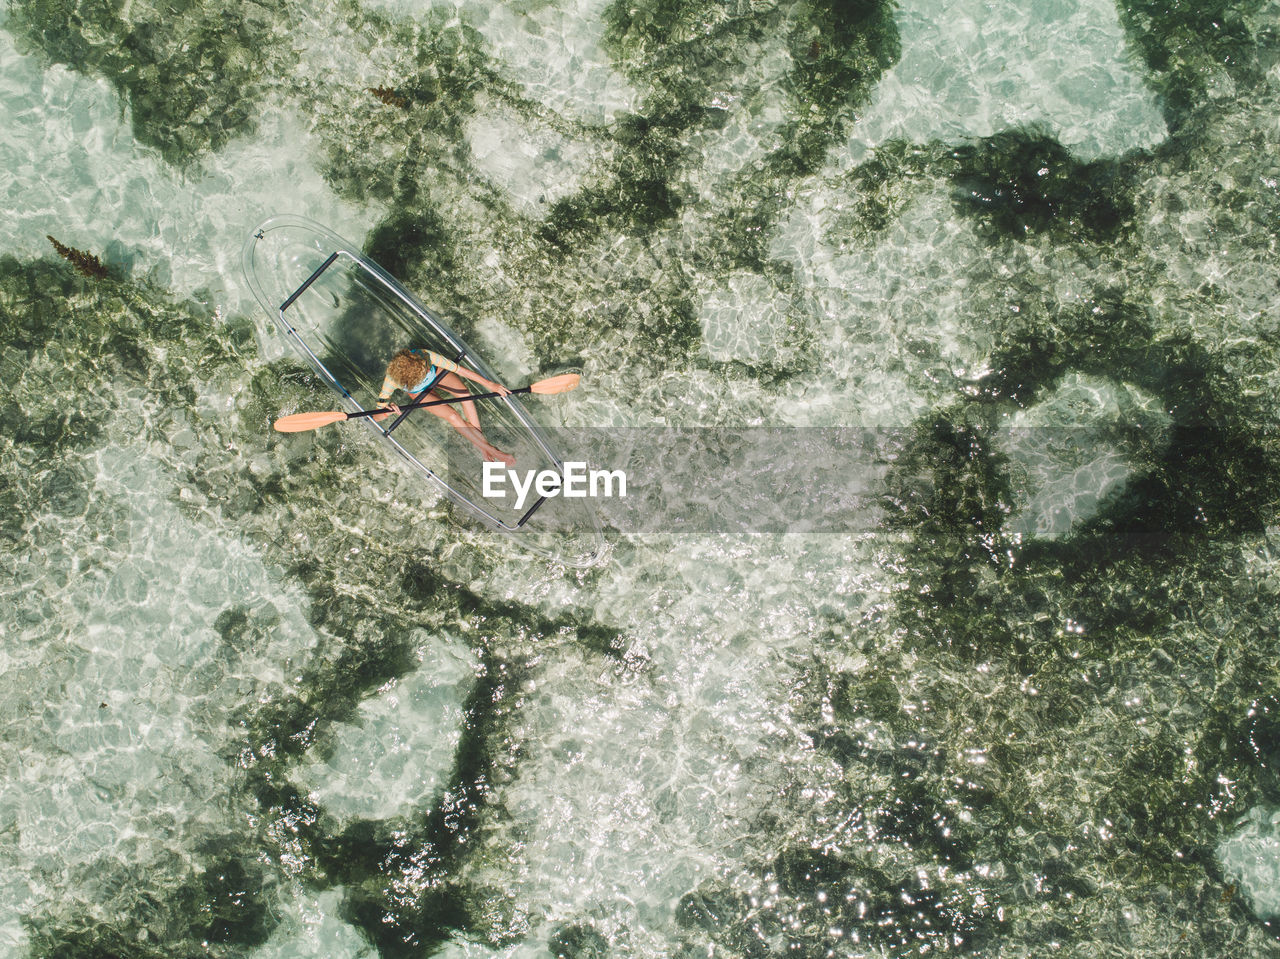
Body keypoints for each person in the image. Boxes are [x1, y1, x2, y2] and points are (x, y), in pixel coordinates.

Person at [372, 348, 515, 466]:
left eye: (426, 368)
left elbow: (459, 370)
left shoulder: (424, 355)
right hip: (418, 392)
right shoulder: (391, 381)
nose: (427, 369)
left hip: (438, 373)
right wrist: (388, 412)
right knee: (453, 416)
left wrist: (490, 385)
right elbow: (376, 417)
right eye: (426, 371)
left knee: (466, 396)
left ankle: (484, 447)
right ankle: (489, 449)